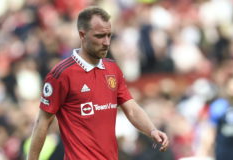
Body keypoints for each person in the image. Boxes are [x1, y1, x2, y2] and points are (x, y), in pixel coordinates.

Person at [27, 6, 169, 160]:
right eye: (100, 36)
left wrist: (152, 130)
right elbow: (42, 122)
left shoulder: (112, 68)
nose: (106, 42)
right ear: (83, 35)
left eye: (109, 35)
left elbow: (132, 109)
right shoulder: (61, 74)